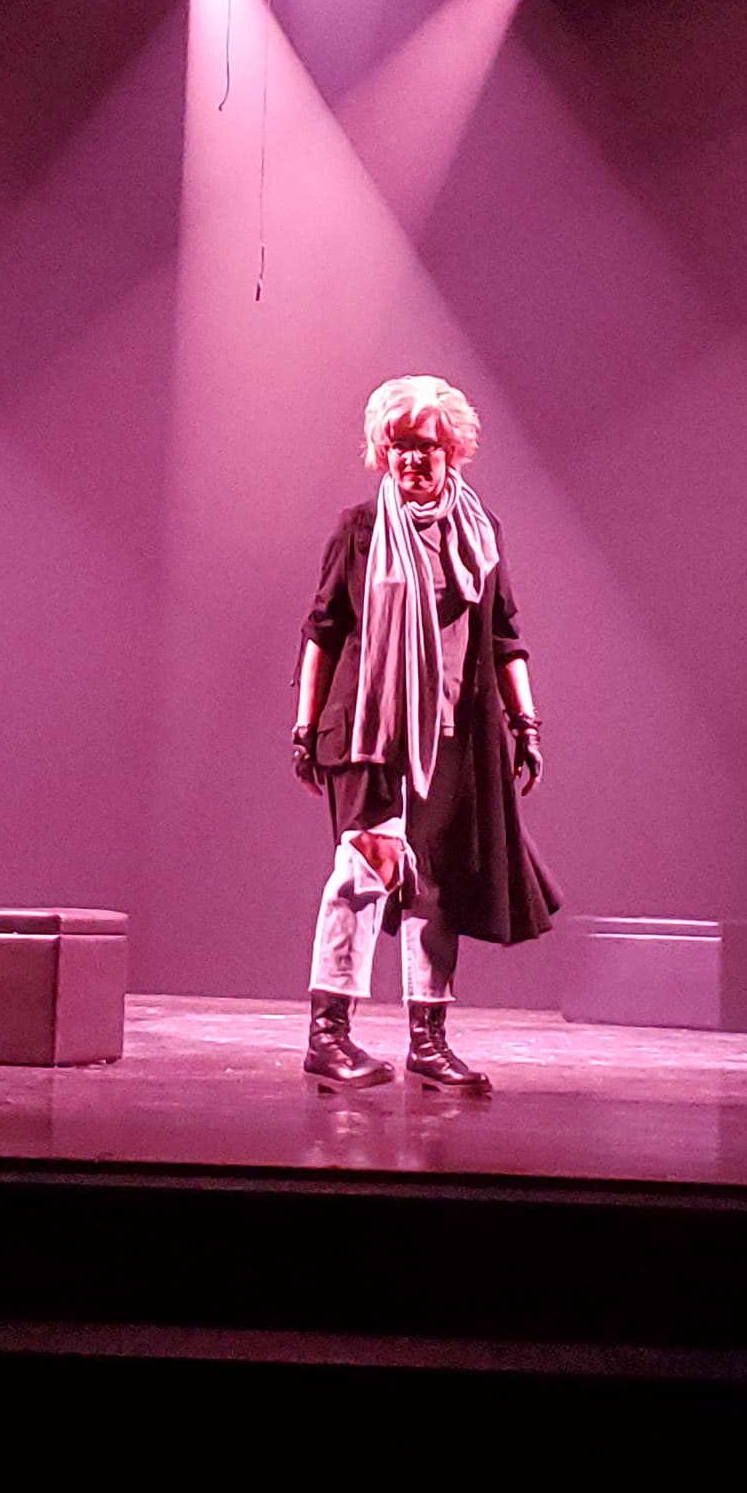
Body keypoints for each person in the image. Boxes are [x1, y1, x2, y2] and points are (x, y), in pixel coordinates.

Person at [293, 375, 558, 1092]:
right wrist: (304, 727)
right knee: (367, 869)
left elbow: (503, 637)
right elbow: (323, 631)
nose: (412, 458)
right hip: (368, 731)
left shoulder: (480, 531)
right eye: (400, 445)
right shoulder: (359, 530)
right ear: (383, 451)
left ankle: (428, 1040)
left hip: (452, 736)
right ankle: (328, 1035)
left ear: (453, 452)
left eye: (426, 446)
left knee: (434, 885)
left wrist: (525, 723)